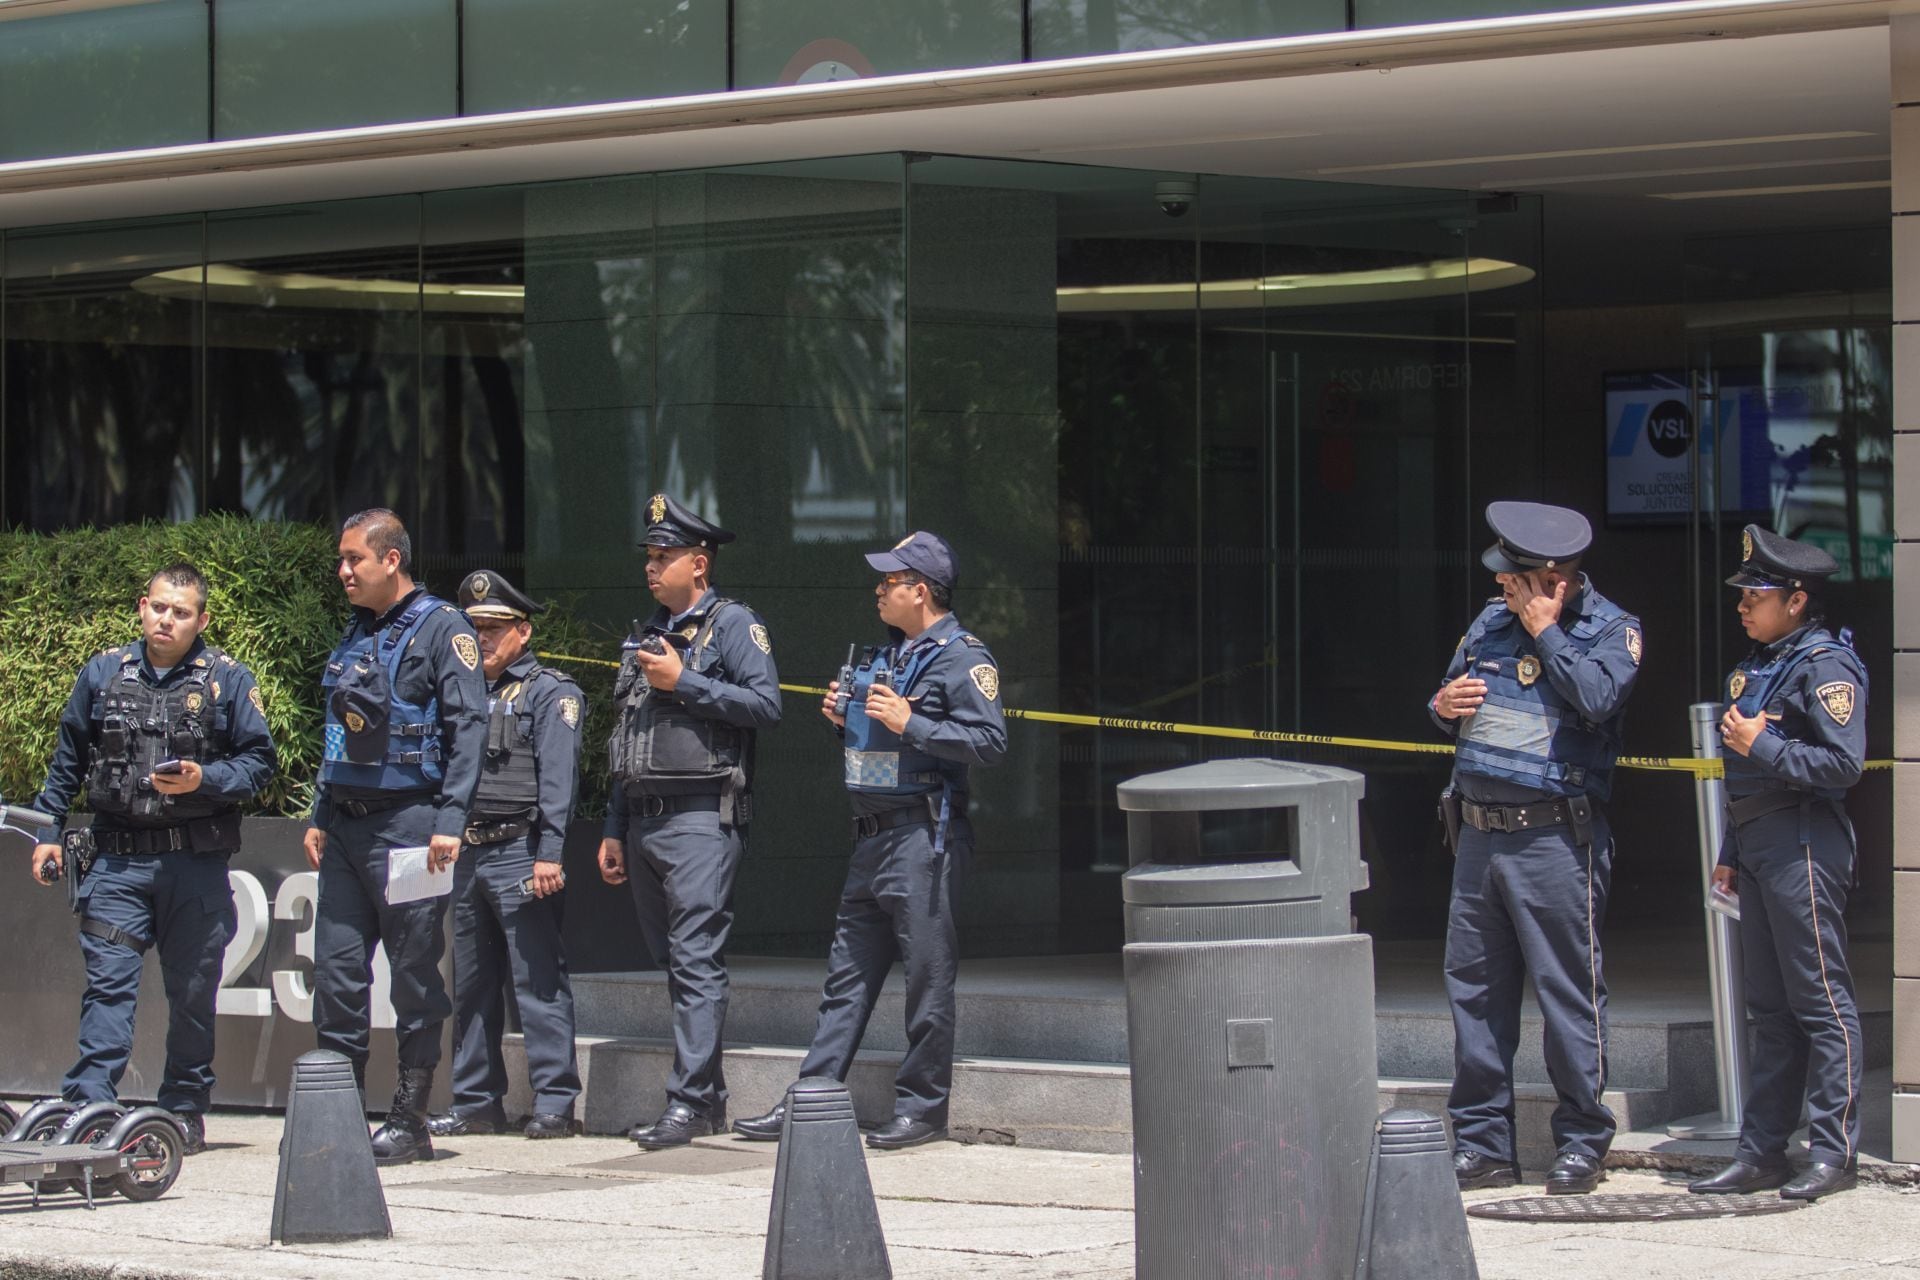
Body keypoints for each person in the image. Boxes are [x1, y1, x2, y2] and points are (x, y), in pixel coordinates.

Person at [734, 531, 1006, 1151]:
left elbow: (990, 743)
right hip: (871, 838)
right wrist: (845, 721)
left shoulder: (963, 657)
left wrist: (913, 721)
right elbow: (878, 748)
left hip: (923, 836)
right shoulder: (886, 657)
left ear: (920, 589)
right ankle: (811, 1097)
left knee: (926, 981)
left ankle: (922, 1109)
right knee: (845, 979)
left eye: (889, 581)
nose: (878, 590)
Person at [28, 562, 278, 1155]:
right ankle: (90, 1104)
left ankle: (184, 1107)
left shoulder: (227, 681)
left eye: (182, 611)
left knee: (193, 994)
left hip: (194, 867)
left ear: (202, 620)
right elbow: (67, 760)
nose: (168, 619)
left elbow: (260, 764)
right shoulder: (102, 673)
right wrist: (47, 832)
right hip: (116, 864)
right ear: (143, 606)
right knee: (108, 988)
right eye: (160, 607)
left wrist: (203, 779)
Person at [1430, 502, 1642, 1195]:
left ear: (1553, 577)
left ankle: (1582, 1140)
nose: (1502, 588)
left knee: (1567, 994)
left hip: (1554, 837)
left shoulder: (1611, 629)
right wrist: (1443, 707)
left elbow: (1600, 698)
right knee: (1476, 995)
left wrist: (1547, 634)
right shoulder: (1488, 621)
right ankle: (1483, 1146)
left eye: (1515, 578)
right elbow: (1445, 701)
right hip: (1479, 837)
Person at [1688, 526, 1867, 1202]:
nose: (1742, 606)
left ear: (1796, 600)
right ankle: (1762, 1152)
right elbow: (1742, 775)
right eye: (1742, 595)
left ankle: (1834, 1152)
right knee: (1771, 1009)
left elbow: (1843, 765)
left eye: (1755, 595)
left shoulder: (1825, 665)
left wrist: (1763, 747)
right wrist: (1730, 855)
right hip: (1760, 842)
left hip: (1805, 842)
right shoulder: (1761, 664)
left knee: (1820, 1000)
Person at [303, 509, 487, 1165]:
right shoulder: (356, 634)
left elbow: (470, 732)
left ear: (392, 560)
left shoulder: (443, 629)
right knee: (337, 974)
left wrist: (449, 822)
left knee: (413, 974)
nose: (344, 571)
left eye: (355, 559)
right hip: (348, 828)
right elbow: (340, 732)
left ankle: (409, 1119)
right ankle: (342, 1116)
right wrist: (320, 812)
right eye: (342, 560)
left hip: (412, 826)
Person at [598, 493, 781, 1149]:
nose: (652, 567)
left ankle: (687, 1104)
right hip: (644, 819)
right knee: (675, 961)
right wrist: (614, 825)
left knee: (697, 959)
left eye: (664, 556)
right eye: (650, 556)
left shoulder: (733, 626)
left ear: (698, 564)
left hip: (704, 817)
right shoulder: (645, 633)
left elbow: (765, 705)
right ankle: (707, 1098)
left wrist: (687, 682)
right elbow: (629, 733)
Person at [427, 571, 585, 1141]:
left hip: (522, 851)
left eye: (494, 628)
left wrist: (550, 854)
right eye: (474, 630)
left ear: (523, 630)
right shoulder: (459, 692)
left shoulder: (551, 692)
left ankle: (555, 1102)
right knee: (470, 986)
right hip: (467, 853)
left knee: (537, 981)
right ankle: (475, 1102)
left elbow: (559, 782)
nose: (483, 640)